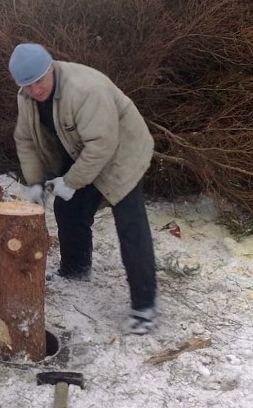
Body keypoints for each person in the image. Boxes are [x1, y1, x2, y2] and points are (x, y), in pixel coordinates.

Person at [8, 43, 158, 335]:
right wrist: (36, 181)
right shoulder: (26, 98)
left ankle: (145, 306)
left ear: (51, 67)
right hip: (83, 151)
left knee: (130, 224)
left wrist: (71, 181)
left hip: (122, 152)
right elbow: (25, 140)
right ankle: (76, 268)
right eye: (27, 85)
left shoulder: (84, 89)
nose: (35, 90)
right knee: (69, 208)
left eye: (39, 81)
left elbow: (103, 144)